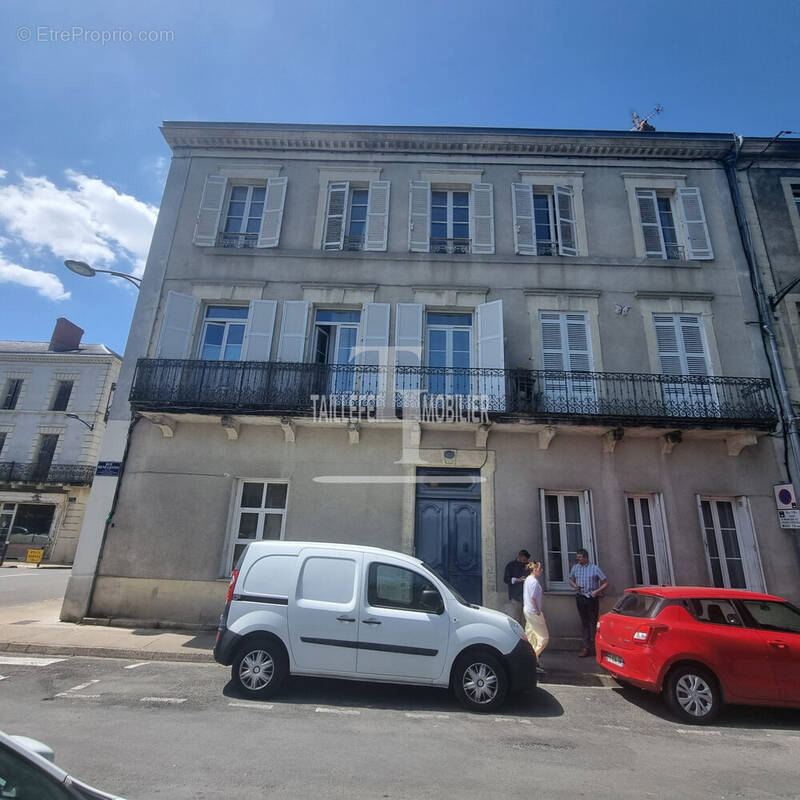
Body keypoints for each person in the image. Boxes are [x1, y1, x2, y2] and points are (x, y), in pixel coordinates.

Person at [569, 548, 608, 657]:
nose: (578, 559)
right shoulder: (576, 568)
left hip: (591, 598)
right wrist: (574, 585)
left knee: (593, 623)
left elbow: (605, 582)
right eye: (577, 558)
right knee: (584, 622)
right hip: (580, 597)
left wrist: (597, 591)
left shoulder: (594, 568)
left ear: (585, 557)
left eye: (580, 558)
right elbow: (571, 578)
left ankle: (597, 647)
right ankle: (586, 648)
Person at [522, 560, 548, 674]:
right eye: (540, 569)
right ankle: (531, 658)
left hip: (527, 610)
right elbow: (532, 599)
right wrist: (538, 612)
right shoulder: (534, 582)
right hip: (533, 612)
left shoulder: (528, 579)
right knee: (544, 638)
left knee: (531, 636)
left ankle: (531, 661)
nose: (541, 571)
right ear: (535, 570)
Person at [503, 549, 530, 625]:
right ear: (519, 557)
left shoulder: (527, 565)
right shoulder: (511, 565)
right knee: (517, 619)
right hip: (516, 596)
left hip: (526, 596)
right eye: (524, 560)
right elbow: (506, 579)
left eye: (526, 560)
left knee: (527, 620)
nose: (525, 562)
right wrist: (518, 580)